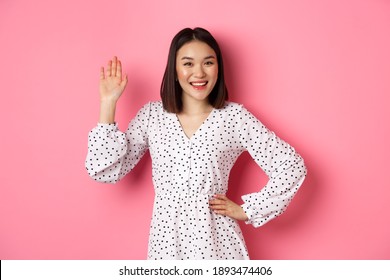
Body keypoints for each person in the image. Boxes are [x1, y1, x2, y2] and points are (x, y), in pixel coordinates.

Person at [85, 27, 307, 260]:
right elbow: (104, 171)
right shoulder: (152, 116)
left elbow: (290, 166)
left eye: (208, 63)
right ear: (174, 69)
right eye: (188, 63)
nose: (199, 73)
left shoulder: (234, 117)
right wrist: (108, 103)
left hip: (218, 246)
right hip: (166, 246)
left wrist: (248, 210)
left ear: (218, 68)